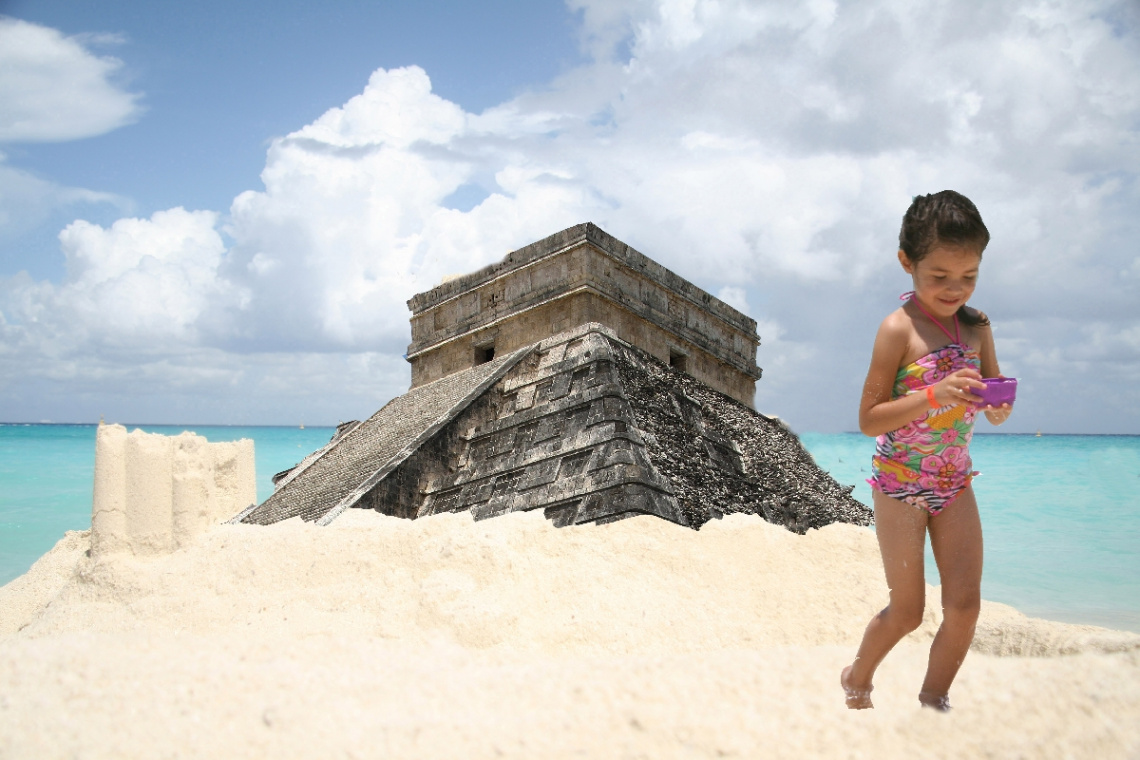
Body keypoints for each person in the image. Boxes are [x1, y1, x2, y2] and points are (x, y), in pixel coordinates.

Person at [841, 190, 1013, 712]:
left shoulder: (978, 326)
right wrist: (934, 394)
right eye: (939, 277)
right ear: (907, 263)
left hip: (954, 482)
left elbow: (988, 387)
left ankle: (934, 700)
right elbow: (869, 420)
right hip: (899, 485)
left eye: (969, 277)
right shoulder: (898, 330)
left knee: (964, 606)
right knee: (909, 610)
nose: (954, 289)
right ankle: (856, 676)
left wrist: (996, 407)